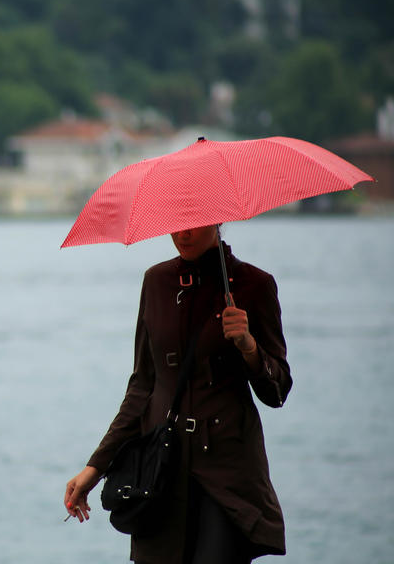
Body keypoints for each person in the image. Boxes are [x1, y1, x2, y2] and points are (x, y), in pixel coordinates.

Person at [64, 225, 292, 564]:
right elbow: (142, 386)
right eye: (176, 226)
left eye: (193, 227)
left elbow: (277, 391)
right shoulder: (156, 282)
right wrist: (96, 466)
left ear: (216, 221)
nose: (182, 235)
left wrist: (249, 347)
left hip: (227, 473)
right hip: (162, 471)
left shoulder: (254, 285)